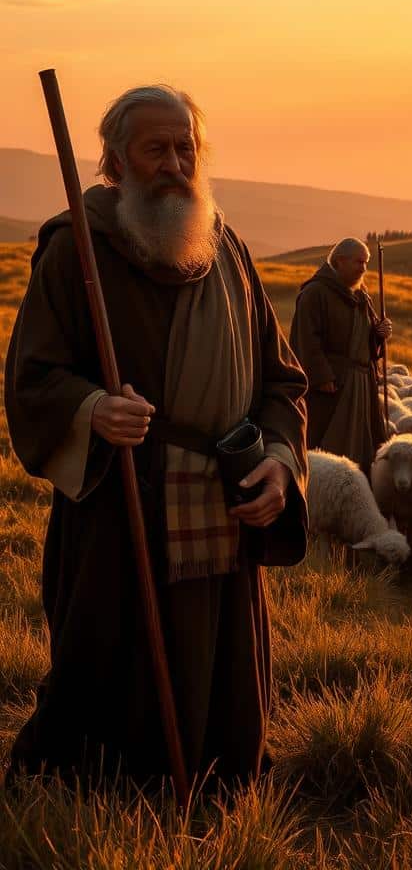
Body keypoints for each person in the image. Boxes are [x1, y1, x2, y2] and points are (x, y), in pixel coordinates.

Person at [4, 85, 308, 788]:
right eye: (155, 149)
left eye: (185, 147)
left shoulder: (226, 246)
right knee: (116, 662)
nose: (174, 163)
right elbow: (34, 376)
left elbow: (282, 382)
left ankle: (221, 783)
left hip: (224, 497)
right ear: (114, 161)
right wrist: (90, 411)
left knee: (220, 666)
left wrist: (281, 463)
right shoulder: (76, 250)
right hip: (122, 505)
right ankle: (101, 793)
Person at [289, 238, 392, 473]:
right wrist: (321, 376)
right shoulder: (315, 293)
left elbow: (368, 334)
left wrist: (378, 333)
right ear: (339, 261)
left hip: (361, 383)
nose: (364, 268)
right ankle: (325, 487)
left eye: (366, 263)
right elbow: (307, 339)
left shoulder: (361, 295)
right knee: (329, 441)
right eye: (359, 262)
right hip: (334, 384)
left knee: (364, 442)